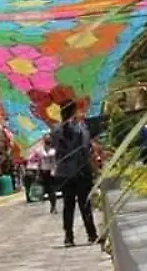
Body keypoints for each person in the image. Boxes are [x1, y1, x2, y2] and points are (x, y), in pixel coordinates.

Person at [51, 100, 97, 247]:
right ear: (74, 111)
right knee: (85, 204)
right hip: (80, 170)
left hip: (64, 172)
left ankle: (68, 237)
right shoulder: (81, 128)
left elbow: (55, 148)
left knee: (68, 205)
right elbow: (85, 148)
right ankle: (91, 234)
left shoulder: (56, 130)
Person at [39, 134, 57, 214]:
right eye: (46, 139)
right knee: (49, 189)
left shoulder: (54, 150)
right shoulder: (41, 150)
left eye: (49, 139)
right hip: (44, 171)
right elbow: (39, 161)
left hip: (52, 171)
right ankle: (52, 204)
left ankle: (54, 205)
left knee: (52, 189)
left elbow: (55, 161)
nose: (47, 140)